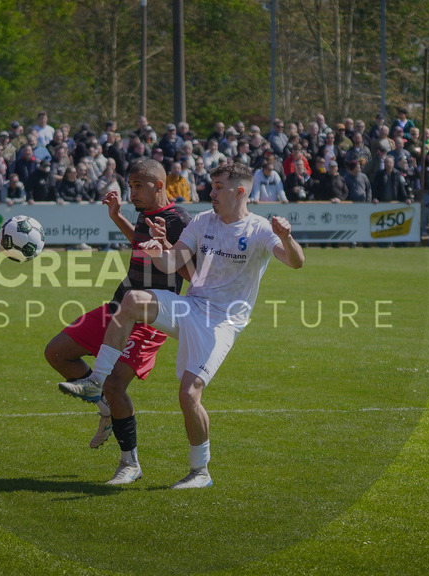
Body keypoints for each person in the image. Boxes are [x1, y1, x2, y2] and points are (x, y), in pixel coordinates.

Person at [58, 162, 304, 489]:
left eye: (218, 187)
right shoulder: (202, 221)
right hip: (192, 305)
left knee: (189, 395)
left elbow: (296, 261)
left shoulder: (259, 229)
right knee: (132, 300)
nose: (211, 193)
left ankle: (200, 472)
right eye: (212, 186)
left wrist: (287, 238)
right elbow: (172, 262)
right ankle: (95, 381)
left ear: (240, 191)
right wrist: (158, 249)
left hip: (223, 321)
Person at [50, 159, 192, 455]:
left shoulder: (179, 219)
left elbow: (194, 275)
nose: (132, 192)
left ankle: (130, 463)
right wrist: (116, 216)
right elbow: (139, 242)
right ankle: (103, 406)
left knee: (115, 386)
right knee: (57, 352)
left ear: (159, 185)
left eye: (138, 186)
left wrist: (165, 248)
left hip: (151, 317)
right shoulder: (144, 213)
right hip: (119, 305)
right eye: (130, 186)